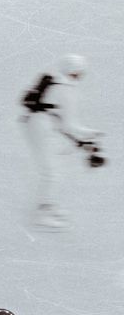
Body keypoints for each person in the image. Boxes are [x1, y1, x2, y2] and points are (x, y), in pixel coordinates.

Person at [20, 54, 104, 229]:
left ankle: (49, 206)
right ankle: (43, 214)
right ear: (76, 72)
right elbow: (70, 125)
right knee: (51, 172)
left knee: (52, 168)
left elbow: (61, 122)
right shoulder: (66, 89)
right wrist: (91, 134)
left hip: (36, 124)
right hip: (42, 127)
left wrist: (85, 138)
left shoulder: (54, 81)